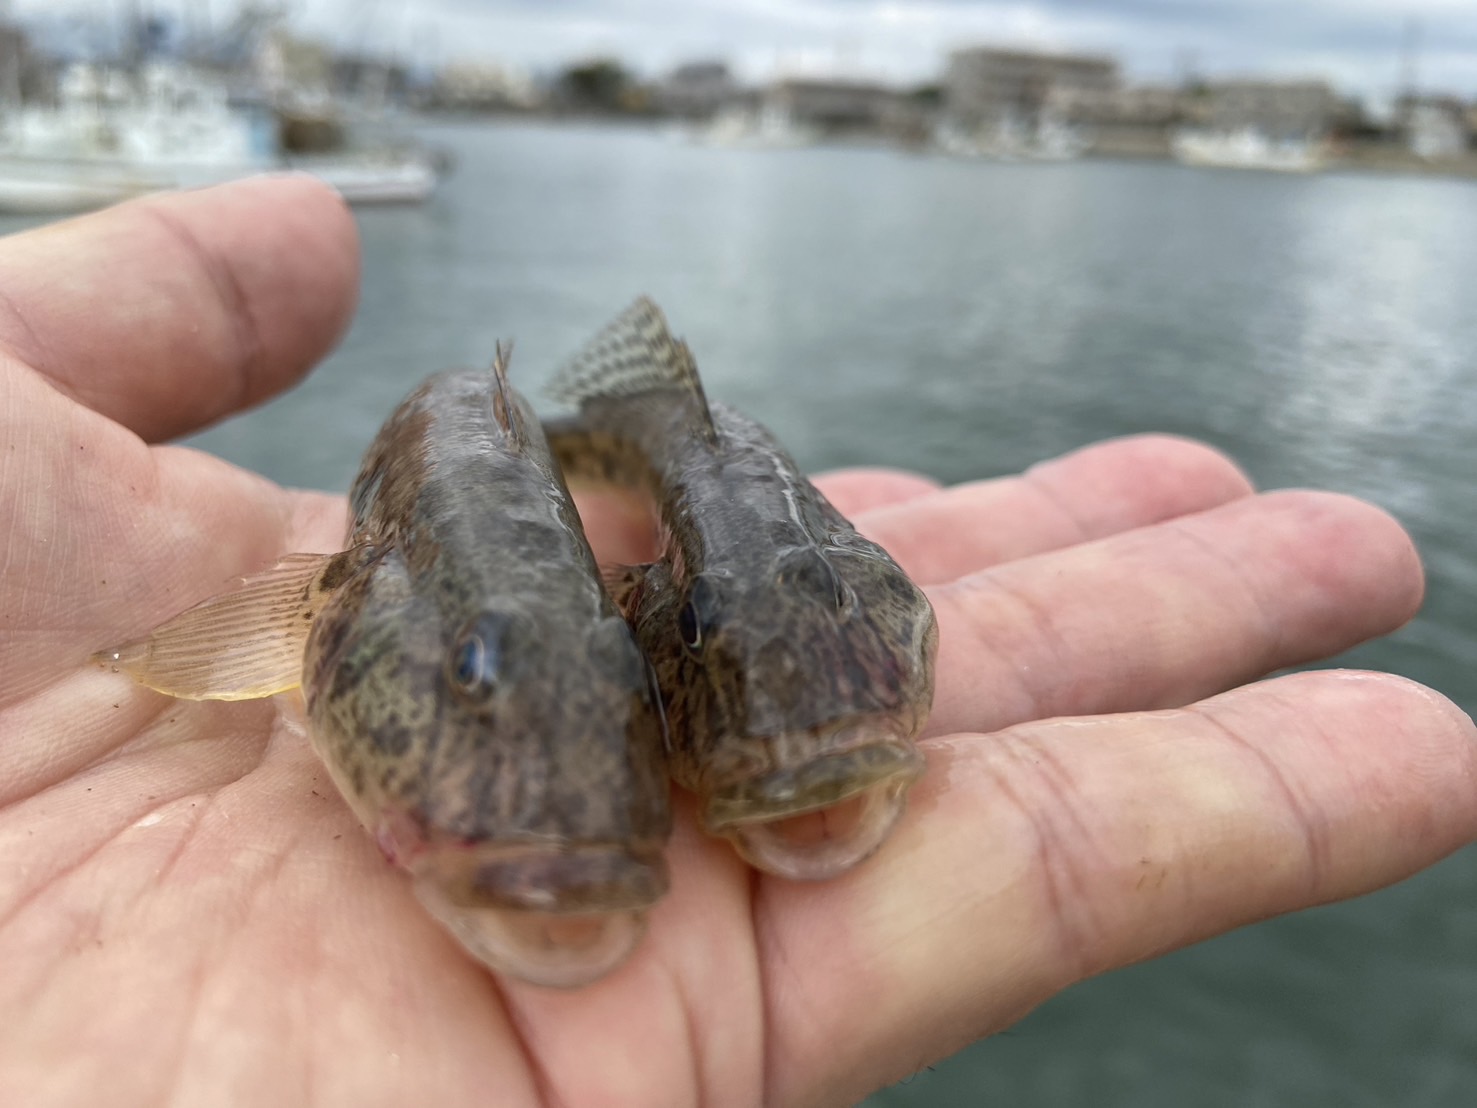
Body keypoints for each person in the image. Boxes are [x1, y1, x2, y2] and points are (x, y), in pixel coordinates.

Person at [1, 175, 1472, 1108]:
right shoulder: (350, 597)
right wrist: (123, 664)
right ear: (323, 628)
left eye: (631, 700)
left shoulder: (653, 599)